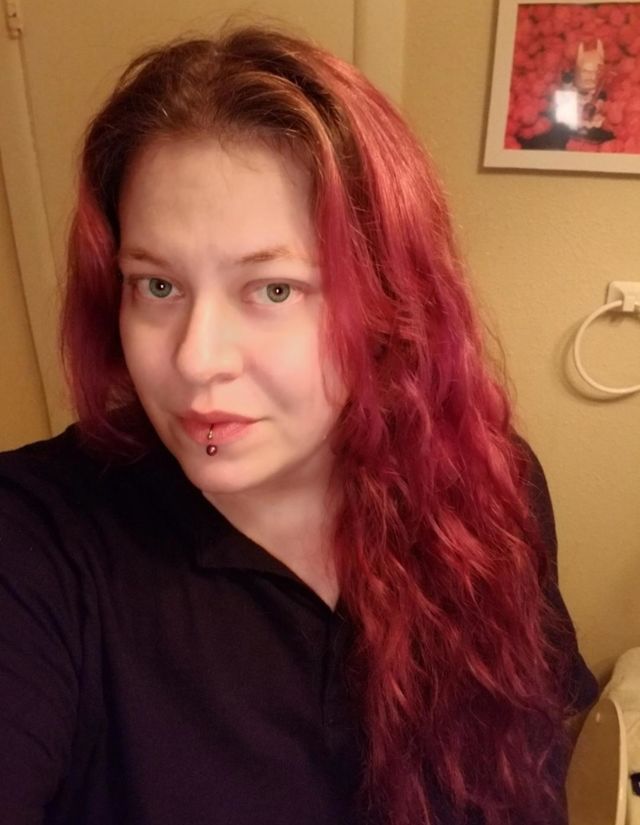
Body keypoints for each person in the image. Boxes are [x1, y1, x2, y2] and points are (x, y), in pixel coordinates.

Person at [0, 24, 597, 825]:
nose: (196, 360)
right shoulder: (37, 540)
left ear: (387, 300)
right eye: (157, 286)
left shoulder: (491, 486)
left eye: (273, 289)